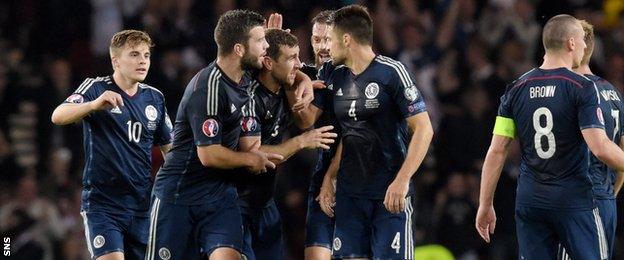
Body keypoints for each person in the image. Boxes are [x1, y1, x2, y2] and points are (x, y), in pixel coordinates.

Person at [476, 14, 624, 259]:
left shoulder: (516, 88)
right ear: (571, 43)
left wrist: (484, 203)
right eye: (583, 41)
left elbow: (497, 150)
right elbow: (600, 147)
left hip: (531, 201)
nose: (587, 46)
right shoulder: (583, 88)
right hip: (574, 201)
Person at [146, 10, 282, 260]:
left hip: (220, 198)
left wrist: (303, 77)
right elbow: (208, 154)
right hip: (178, 197)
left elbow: (284, 68)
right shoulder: (208, 87)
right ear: (239, 49)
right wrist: (250, 159)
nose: (266, 46)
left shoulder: (244, 75)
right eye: (260, 41)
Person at [315, 5, 433, 259]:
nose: (327, 47)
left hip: (388, 195)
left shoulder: (391, 73)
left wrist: (402, 181)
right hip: (350, 196)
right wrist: (329, 177)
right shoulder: (338, 77)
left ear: (346, 39)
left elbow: (424, 129)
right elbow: (352, 133)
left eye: (331, 40)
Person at [51, 30, 172, 260]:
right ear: (115, 61)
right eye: (135, 54)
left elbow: (171, 151)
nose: (143, 61)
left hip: (142, 207)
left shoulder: (154, 98)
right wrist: (93, 105)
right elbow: (58, 115)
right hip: (103, 205)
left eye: (146, 55)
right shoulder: (95, 88)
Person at [236, 28, 336, 260]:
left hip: (265, 201)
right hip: (236, 202)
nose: (299, 64)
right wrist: (301, 142)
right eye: (292, 58)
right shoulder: (247, 95)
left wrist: (306, 82)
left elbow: (304, 117)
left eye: (299, 56)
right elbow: (252, 154)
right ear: (269, 63)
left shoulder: (284, 88)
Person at [561, 19, 624, 260]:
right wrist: (609, 195)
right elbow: (620, 156)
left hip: (577, 201)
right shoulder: (614, 92)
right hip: (606, 200)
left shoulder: (572, 91)